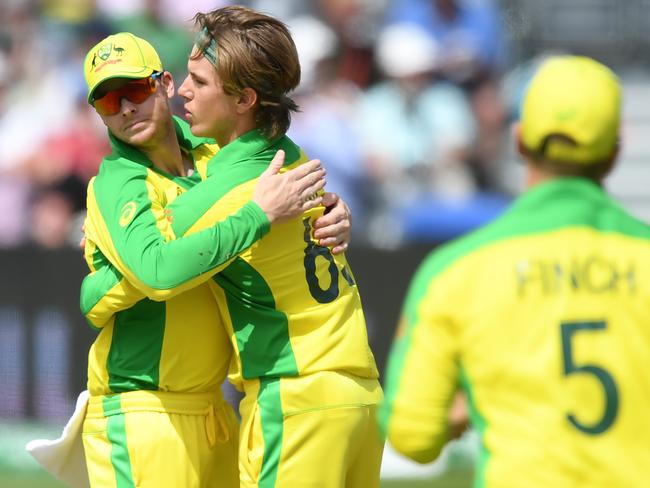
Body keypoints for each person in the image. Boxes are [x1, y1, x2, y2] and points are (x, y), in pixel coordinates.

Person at [87, 6, 383, 487]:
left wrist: (98, 286)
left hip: (294, 399)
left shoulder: (225, 189)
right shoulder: (293, 159)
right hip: (361, 394)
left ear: (244, 99)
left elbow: (151, 269)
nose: (184, 90)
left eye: (198, 82)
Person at [380, 55, 650, 487]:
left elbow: (413, 434)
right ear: (616, 150)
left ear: (519, 140)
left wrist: (474, 402)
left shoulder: (456, 271)